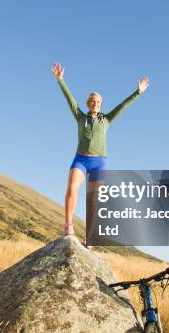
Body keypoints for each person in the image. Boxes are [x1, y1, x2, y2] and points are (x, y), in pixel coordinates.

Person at [51, 62, 149, 243]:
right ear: (88, 104)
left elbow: (123, 106)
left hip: (98, 162)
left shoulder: (107, 120)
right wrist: (60, 80)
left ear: (101, 104)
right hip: (80, 159)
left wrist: (138, 92)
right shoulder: (80, 116)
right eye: (92, 101)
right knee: (72, 187)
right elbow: (70, 99)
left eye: (98, 102)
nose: (95, 103)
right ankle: (68, 225)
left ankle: (90, 237)